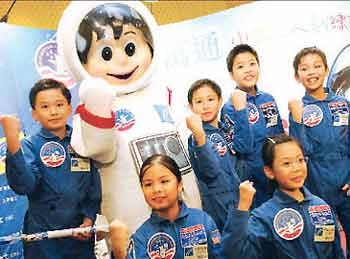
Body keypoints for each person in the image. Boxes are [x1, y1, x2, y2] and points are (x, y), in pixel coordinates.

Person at [57, 1, 201, 235]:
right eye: (105, 53)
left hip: (186, 209)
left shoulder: (164, 93)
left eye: (131, 47)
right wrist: (97, 105)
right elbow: (100, 149)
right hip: (132, 218)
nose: (122, 60)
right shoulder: (94, 104)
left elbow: (190, 143)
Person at [0, 78, 101, 259]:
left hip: (79, 238)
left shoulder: (81, 141)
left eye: (59, 104)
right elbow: (25, 185)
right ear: (34, 114)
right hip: (43, 241)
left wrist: (89, 219)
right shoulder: (29, 145)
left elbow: (93, 188)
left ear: (69, 108)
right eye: (45, 107)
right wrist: (12, 140)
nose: (53, 111)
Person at [221, 134, 345, 259]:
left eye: (300, 160)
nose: (296, 168)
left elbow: (337, 253)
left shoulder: (321, 207)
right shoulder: (264, 217)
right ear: (269, 171)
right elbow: (234, 253)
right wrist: (241, 209)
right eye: (286, 163)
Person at [288, 46, 350, 256]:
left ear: (325, 70)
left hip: (347, 187)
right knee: (325, 244)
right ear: (297, 76)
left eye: (316, 66)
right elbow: (301, 150)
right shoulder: (298, 109)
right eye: (304, 69)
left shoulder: (343, 104)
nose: (311, 72)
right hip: (317, 191)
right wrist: (297, 119)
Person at [109, 154, 222, 259]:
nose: (156, 189)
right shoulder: (141, 237)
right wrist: (119, 253)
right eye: (148, 184)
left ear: (179, 184)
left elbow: (220, 255)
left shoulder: (202, 220)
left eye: (164, 181)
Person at [221, 44, 285, 208]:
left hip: (277, 174)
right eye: (240, 66)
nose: (248, 70)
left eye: (252, 63)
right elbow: (241, 147)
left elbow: (280, 136)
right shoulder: (229, 107)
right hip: (252, 180)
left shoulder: (268, 99)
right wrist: (241, 109)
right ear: (231, 74)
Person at [186, 78, 251, 231]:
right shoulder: (196, 138)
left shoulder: (226, 129)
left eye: (210, 99)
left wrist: (241, 110)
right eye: (199, 101)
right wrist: (199, 136)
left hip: (241, 198)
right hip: (218, 205)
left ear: (220, 101)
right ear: (191, 107)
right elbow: (211, 170)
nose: (206, 106)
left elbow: (244, 147)